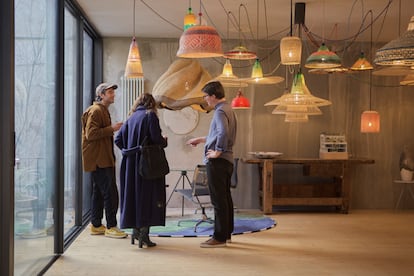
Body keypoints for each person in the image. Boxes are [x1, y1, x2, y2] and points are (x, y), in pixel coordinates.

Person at [186, 81, 237, 248]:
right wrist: (201, 140)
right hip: (227, 161)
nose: (205, 99)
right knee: (225, 198)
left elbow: (223, 133)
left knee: (218, 200)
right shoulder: (228, 109)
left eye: (206, 96)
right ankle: (226, 234)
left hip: (218, 161)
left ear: (214, 96)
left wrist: (218, 151)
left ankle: (219, 237)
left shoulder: (220, 111)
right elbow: (218, 134)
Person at [115, 93, 168, 248]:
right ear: (152, 104)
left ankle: (135, 232)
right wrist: (163, 141)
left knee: (134, 197)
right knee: (148, 197)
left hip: (130, 165)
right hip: (147, 164)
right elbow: (156, 140)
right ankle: (144, 234)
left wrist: (131, 151)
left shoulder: (130, 118)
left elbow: (118, 140)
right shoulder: (150, 115)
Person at [81, 82, 127, 239]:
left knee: (99, 192)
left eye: (113, 92)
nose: (113, 94)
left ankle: (96, 225)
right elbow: (91, 135)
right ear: (101, 95)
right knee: (110, 193)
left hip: (101, 159)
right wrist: (113, 129)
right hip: (99, 160)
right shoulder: (96, 111)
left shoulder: (102, 110)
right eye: (109, 92)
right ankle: (111, 226)